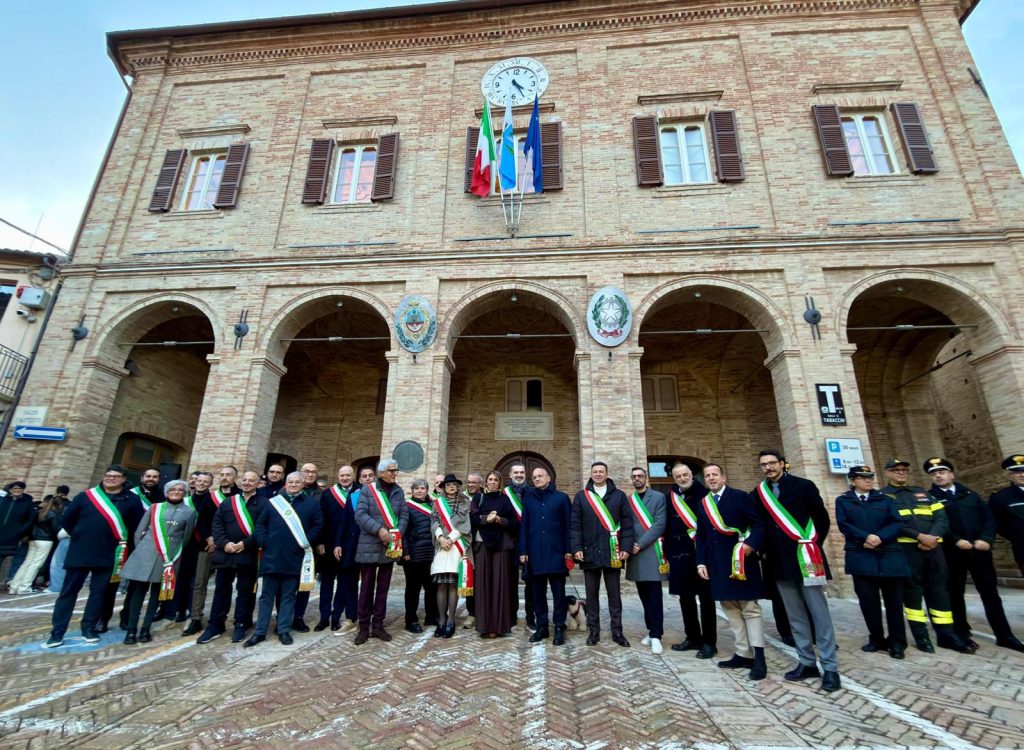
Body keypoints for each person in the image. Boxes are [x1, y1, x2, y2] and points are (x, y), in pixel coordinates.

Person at [754, 449, 840, 692]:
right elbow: (759, 524)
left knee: (819, 613)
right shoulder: (760, 493)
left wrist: (811, 545)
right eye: (764, 465)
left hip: (806, 558)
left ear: (782, 463)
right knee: (795, 615)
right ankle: (806, 661)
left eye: (772, 463)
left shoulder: (804, 486)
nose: (768, 468)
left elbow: (821, 518)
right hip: (779, 562)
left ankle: (830, 667)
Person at [925, 457, 1024, 653]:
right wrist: (955, 540)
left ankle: (1004, 635)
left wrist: (986, 539)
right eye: (934, 473)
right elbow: (936, 523)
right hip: (953, 553)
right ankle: (962, 633)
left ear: (951, 474)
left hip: (979, 552)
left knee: (991, 595)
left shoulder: (970, 494)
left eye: (942, 471)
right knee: (955, 593)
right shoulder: (930, 498)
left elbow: (988, 518)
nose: (938, 475)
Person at [44, 465, 145, 647]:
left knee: (99, 593)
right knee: (68, 593)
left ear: (123, 479)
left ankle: (89, 627)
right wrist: (82, 534)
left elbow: (136, 526)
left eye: (115, 476)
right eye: (108, 475)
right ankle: (57, 631)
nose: (111, 479)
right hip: (80, 551)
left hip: (110, 553)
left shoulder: (132, 499)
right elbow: (67, 520)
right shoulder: (86, 496)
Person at [882, 458, 970, 653]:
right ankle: (921, 636)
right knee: (912, 593)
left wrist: (932, 537)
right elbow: (890, 522)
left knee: (939, 590)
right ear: (887, 473)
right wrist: (919, 536)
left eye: (904, 469)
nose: (901, 473)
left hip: (934, 549)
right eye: (896, 470)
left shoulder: (922, 493)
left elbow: (941, 518)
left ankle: (946, 634)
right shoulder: (883, 496)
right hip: (908, 550)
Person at [696, 463, 767, 681]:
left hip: (741, 560)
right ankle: (743, 652)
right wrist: (701, 562)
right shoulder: (704, 503)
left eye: (715, 475)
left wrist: (750, 545)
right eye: (707, 476)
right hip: (717, 562)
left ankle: (759, 657)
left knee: (749, 608)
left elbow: (759, 525)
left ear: (723, 477)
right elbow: (702, 535)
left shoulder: (740, 497)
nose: (711, 479)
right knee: (730, 608)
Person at [836, 465, 910, 659]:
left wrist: (879, 537)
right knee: (868, 602)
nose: (868, 480)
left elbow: (896, 522)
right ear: (853, 480)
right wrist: (866, 537)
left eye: (870, 477)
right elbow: (844, 524)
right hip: (861, 556)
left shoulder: (885, 500)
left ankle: (897, 642)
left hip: (888, 556)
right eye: (862, 477)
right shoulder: (844, 501)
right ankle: (876, 638)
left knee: (894, 603)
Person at [245, 471, 322, 647]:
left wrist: (305, 541)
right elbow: (261, 524)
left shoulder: (311, 503)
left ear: (303, 484)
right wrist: (264, 541)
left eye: (297, 482)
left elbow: (318, 525)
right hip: (272, 556)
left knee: (288, 596)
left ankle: (283, 630)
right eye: (290, 482)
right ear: (285, 484)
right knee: (266, 596)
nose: (294, 485)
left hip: (294, 556)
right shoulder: (273, 503)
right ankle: (260, 632)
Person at [120, 480, 197, 644]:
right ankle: (131, 629)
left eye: (180, 490)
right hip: (146, 554)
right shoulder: (155, 508)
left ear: (185, 493)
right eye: (173, 489)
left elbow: (186, 537)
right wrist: (142, 550)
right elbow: (139, 530)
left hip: (168, 558)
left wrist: (174, 554)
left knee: (156, 595)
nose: (176, 492)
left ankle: (145, 629)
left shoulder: (189, 512)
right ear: (167, 491)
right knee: (138, 593)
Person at [571, 462, 633, 647]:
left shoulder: (619, 496)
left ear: (607, 474)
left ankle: (617, 632)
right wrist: (576, 548)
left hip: (613, 553)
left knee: (615, 596)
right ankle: (594, 631)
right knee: (592, 596)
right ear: (590, 474)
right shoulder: (582, 497)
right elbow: (575, 526)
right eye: (595, 472)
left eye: (601, 472)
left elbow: (628, 524)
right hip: (589, 553)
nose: (598, 474)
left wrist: (626, 548)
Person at [199, 470, 265, 644]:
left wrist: (245, 544)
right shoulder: (229, 502)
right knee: (221, 590)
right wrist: (224, 543)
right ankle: (215, 625)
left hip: (248, 554)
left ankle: (241, 624)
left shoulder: (265, 504)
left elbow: (262, 529)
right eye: (245, 480)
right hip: (226, 554)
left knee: (245, 591)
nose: (247, 483)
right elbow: (217, 525)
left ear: (258, 484)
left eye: (252, 480)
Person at [353, 458, 408, 644]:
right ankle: (363, 627)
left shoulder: (398, 491)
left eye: (396, 470)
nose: (395, 473)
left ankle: (378, 625)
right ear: (382, 472)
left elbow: (404, 515)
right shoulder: (368, 490)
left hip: (390, 547)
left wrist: (397, 533)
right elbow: (360, 514)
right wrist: (379, 530)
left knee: (383, 589)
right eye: (392, 470)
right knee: (366, 588)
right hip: (369, 544)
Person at [664, 462, 716, 658]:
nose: (682, 479)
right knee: (685, 599)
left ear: (691, 475)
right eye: (678, 476)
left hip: (700, 553)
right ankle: (692, 637)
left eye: (685, 475)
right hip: (678, 554)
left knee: (706, 599)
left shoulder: (704, 493)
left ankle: (709, 642)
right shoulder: (671, 497)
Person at [519, 466, 572, 645]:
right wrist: (523, 551)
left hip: (557, 553)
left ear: (548, 478)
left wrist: (568, 550)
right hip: (535, 554)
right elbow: (524, 527)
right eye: (534, 477)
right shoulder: (528, 500)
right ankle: (542, 626)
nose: (537, 479)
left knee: (559, 593)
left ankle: (559, 626)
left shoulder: (562, 498)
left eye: (540, 476)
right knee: (537, 593)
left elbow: (568, 526)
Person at [471, 470, 519, 638]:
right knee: (483, 584)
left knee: (500, 584)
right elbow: (472, 519)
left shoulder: (505, 500)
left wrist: (499, 520)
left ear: (499, 483)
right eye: (489, 479)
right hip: (482, 543)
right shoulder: (478, 498)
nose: (492, 482)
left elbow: (514, 522)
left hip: (501, 545)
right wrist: (486, 519)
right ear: (485, 482)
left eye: (495, 480)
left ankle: (498, 626)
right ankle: (484, 626)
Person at [625, 466, 668, 655]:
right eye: (634, 476)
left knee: (654, 595)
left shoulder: (658, 498)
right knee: (643, 594)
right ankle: (651, 630)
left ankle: (657, 634)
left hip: (651, 550)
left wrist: (639, 544)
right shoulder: (629, 500)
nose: (637, 479)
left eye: (640, 476)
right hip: (635, 553)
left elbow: (659, 524)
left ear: (646, 478)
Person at [431, 474, 473, 638]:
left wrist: (451, 539)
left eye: (454, 484)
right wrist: (441, 538)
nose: (451, 486)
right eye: (448, 484)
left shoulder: (465, 502)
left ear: (457, 486)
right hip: (442, 547)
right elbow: (434, 521)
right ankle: (440, 620)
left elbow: (465, 523)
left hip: (457, 546)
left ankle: (450, 621)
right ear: (443, 487)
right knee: (441, 585)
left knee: (453, 585)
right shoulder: (437, 503)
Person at [181, 471, 222, 636]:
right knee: (182, 581)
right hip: (184, 546)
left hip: (203, 546)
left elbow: (213, 523)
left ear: (210, 484)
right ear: (194, 481)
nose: (202, 483)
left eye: (206, 481)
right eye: (199, 480)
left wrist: (210, 539)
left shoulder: (212, 501)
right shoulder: (185, 500)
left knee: (199, 583)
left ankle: (196, 617)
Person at [402, 478, 439, 633]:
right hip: (413, 554)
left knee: (431, 587)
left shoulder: (433, 506)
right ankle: (411, 620)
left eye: (422, 488)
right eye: (416, 488)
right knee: (413, 589)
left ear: (427, 490)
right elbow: (402, 530)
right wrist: (405, 552)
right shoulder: (406, 506)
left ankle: (431, 616)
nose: (419, 491)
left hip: (430, 552)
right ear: (412, 490)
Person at [9, 491, 64, 594]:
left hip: (33, 539)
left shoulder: (39, 512)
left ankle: (14, 586)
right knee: (35, 565)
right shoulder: (53, 514)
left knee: (26, 563)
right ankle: (24, 587)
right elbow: (56, 529)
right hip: (45, 540)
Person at [331, 466, 362, 636]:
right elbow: (343, 522)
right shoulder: (350, 495)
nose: (344, 478)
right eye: (342, 475)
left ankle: (364, 617)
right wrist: (338, 543)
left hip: (368, 547)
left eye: (348, 475)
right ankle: (347, 617)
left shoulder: (365, 493)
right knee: (347, 583)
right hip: (349, 547)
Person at [292, 462, 323, 631]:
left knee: (304, 584)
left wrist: (314, 542)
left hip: (308, 547)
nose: (310, 475)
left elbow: (321, 522)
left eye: (313, 472)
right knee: (287, 584)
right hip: (288, 547)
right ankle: (284, 616)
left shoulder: (321, 494)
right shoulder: (287, 492)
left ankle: (298, 617)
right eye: (306, 472)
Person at [505, 462, 534, 629]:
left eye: (522, 472)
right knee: (510, 582)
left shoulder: (533, 492)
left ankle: (531, 617)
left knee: (531, 582)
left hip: (530, 543)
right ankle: (511, 615)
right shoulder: (504, 494)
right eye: (516, 472)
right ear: (510, 474)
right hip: (510, 543)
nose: (519, 475)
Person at [989, 454, 1024, 577]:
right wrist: (1018, 536)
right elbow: (999, 524)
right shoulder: (1000, 498)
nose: (1022, 475)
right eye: (1017, 472)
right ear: (1010, 475)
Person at [1, 481, 37, 586]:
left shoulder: (27, 503)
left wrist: (18, 531)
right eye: (15, 488)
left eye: (19, 488)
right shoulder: (3, 500)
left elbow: (29, 520)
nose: (17, 490)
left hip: (10, 537)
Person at [461, 471, 484, 629]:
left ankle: (482, 611)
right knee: (469, 578)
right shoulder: (461, 498)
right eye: (468, 482)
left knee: (481, 578)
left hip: (480, 543)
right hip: (464, 544)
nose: (470, 485)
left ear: (480, 484)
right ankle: (471, 613)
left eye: (474, 482)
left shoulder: (484, 497)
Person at [47, 485, 72, 593]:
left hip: (65, 537)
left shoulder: (69, 508)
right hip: (71, 538)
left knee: (58, 563)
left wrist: (60, 533)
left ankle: (56, 587)